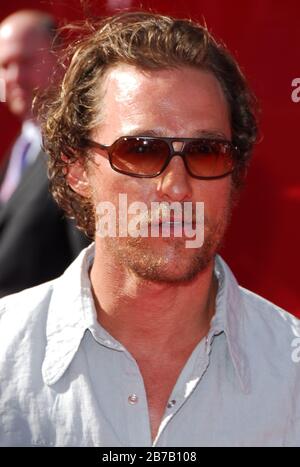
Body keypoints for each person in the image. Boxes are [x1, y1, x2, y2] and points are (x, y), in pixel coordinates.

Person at [0, 11, 299, 447]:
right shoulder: (7, 357)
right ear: (75, 169)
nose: (177, 186)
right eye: (140, 150)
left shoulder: (291, 373)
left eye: (206, 151)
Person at [0, 10, 90, 297]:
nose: (15, 77)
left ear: (62, 59)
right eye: (4, 66)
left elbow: (88, 263)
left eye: (26, 61)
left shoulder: (81, 147)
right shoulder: (19, 150)